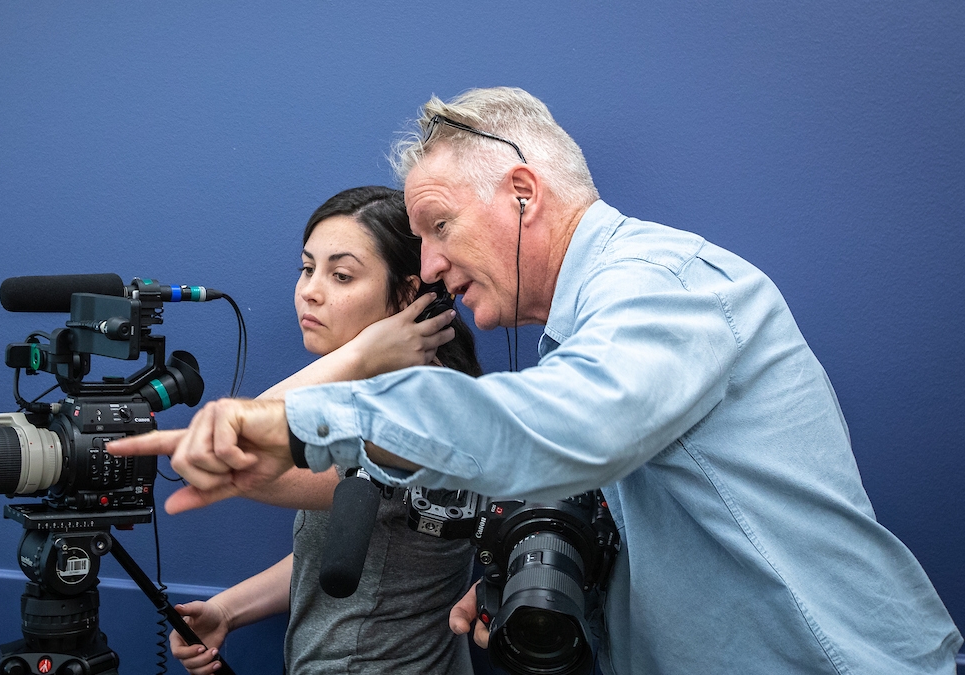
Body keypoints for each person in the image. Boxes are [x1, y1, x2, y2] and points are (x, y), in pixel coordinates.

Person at [110, 88, 962, 674]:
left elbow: (559, 428)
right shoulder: (588, 332)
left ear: (522, 192)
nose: (433, 266)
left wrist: (305, 423)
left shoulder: (660, 281)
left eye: (438, 228)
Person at [161, 186, 481, 675]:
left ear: (406, 295)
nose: (310, 290)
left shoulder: (416, 413)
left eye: (342, 275)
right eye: (307, 269)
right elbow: (360, 550)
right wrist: (229, 609)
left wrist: (358, 353)